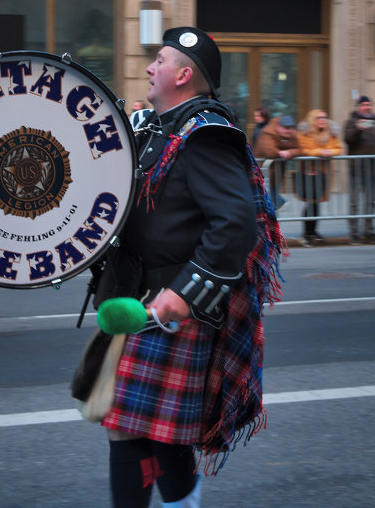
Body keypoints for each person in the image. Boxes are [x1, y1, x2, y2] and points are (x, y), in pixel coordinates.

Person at [73, 27, 285, 508]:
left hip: (171, 308)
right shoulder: (156, 129)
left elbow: (234, 227)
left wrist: (185, 294)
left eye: (160, 60)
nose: (150, 67)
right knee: (149, 433)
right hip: (135, 300)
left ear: (185, 75)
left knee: (134, 429)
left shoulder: (205, 135)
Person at [343, 95, 375, 244]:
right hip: (356, 168)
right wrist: (357, 128)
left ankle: (369, 231)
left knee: (371, 202)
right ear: (359, 106)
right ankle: (354, 233)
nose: (367, 107)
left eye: (369, 104)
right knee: (354, 203)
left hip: (373, 168)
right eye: (364, 105)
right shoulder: (351, 122)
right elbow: (348, 139)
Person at [297, 109, 344, 246]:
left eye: (324, 117)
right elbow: (302, 150)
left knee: (316, 203)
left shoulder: (330, 132)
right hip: (308, 172)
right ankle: (306, 233)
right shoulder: (304, 133)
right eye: (319, 117)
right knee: (310, 203)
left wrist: (329, 152)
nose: (323, 120)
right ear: (312, 120)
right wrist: (319, 152)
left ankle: (313, 231)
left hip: (323, 173)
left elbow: (339, 148)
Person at [254, 114, 301, 210]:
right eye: (285, 127)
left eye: (290, 128)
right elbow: (269, 152)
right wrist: (281, 152)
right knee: (263, 194)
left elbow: (299, 149)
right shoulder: (267, 133)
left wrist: (289, 152)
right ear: (278, 126)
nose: (288, 131)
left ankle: (276, 208)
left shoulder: (292, 133)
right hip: (261, 170)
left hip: (276, 171)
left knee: (271, 194)